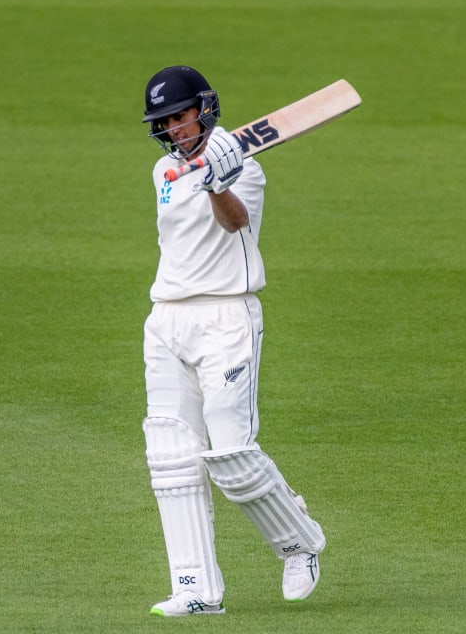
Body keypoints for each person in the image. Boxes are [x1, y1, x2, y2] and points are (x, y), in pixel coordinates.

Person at [138, 65, 326, 617]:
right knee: (171, 459)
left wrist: (220, 180)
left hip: (226, 317)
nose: (174, 129)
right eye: (165, 122)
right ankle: (195, 589)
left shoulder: (246, 168)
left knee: (232, 457)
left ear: (203, 108)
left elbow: (235, 223)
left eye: (180, 116)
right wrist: (199, 170)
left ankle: (300, 542)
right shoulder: (162, 172)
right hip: (166, 319)